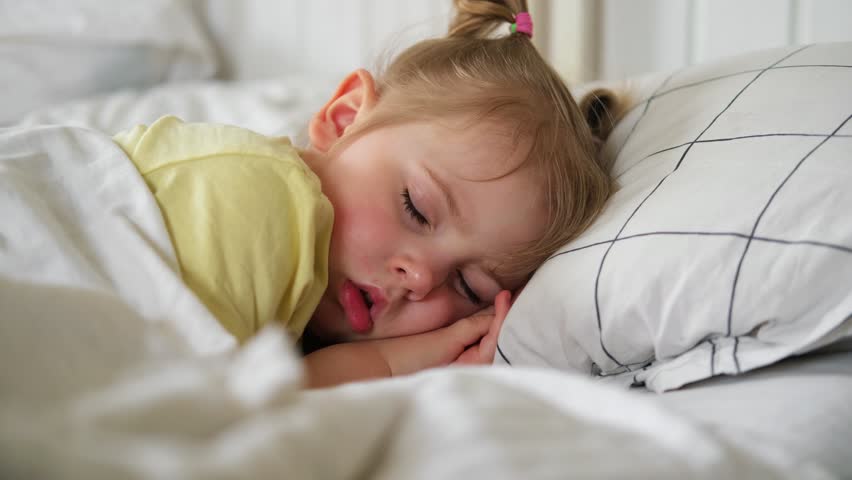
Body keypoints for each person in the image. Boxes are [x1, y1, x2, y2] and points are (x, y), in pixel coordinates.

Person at [114, 0, 625, 388]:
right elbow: (221, 401)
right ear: (343, 119)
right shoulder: (257, 197)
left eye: (469, 288)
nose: (421, 278)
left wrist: (400, 360)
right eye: (416, 209)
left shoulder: (301, 302)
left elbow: (280, 390)